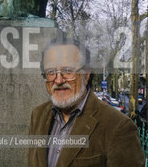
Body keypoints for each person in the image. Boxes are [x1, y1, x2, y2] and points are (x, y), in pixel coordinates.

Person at [28, 38, 145, 167]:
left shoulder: (118, 126)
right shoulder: (38, 115)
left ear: (87, 74)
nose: (59, 80)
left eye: (67, 70)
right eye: (51, 72)